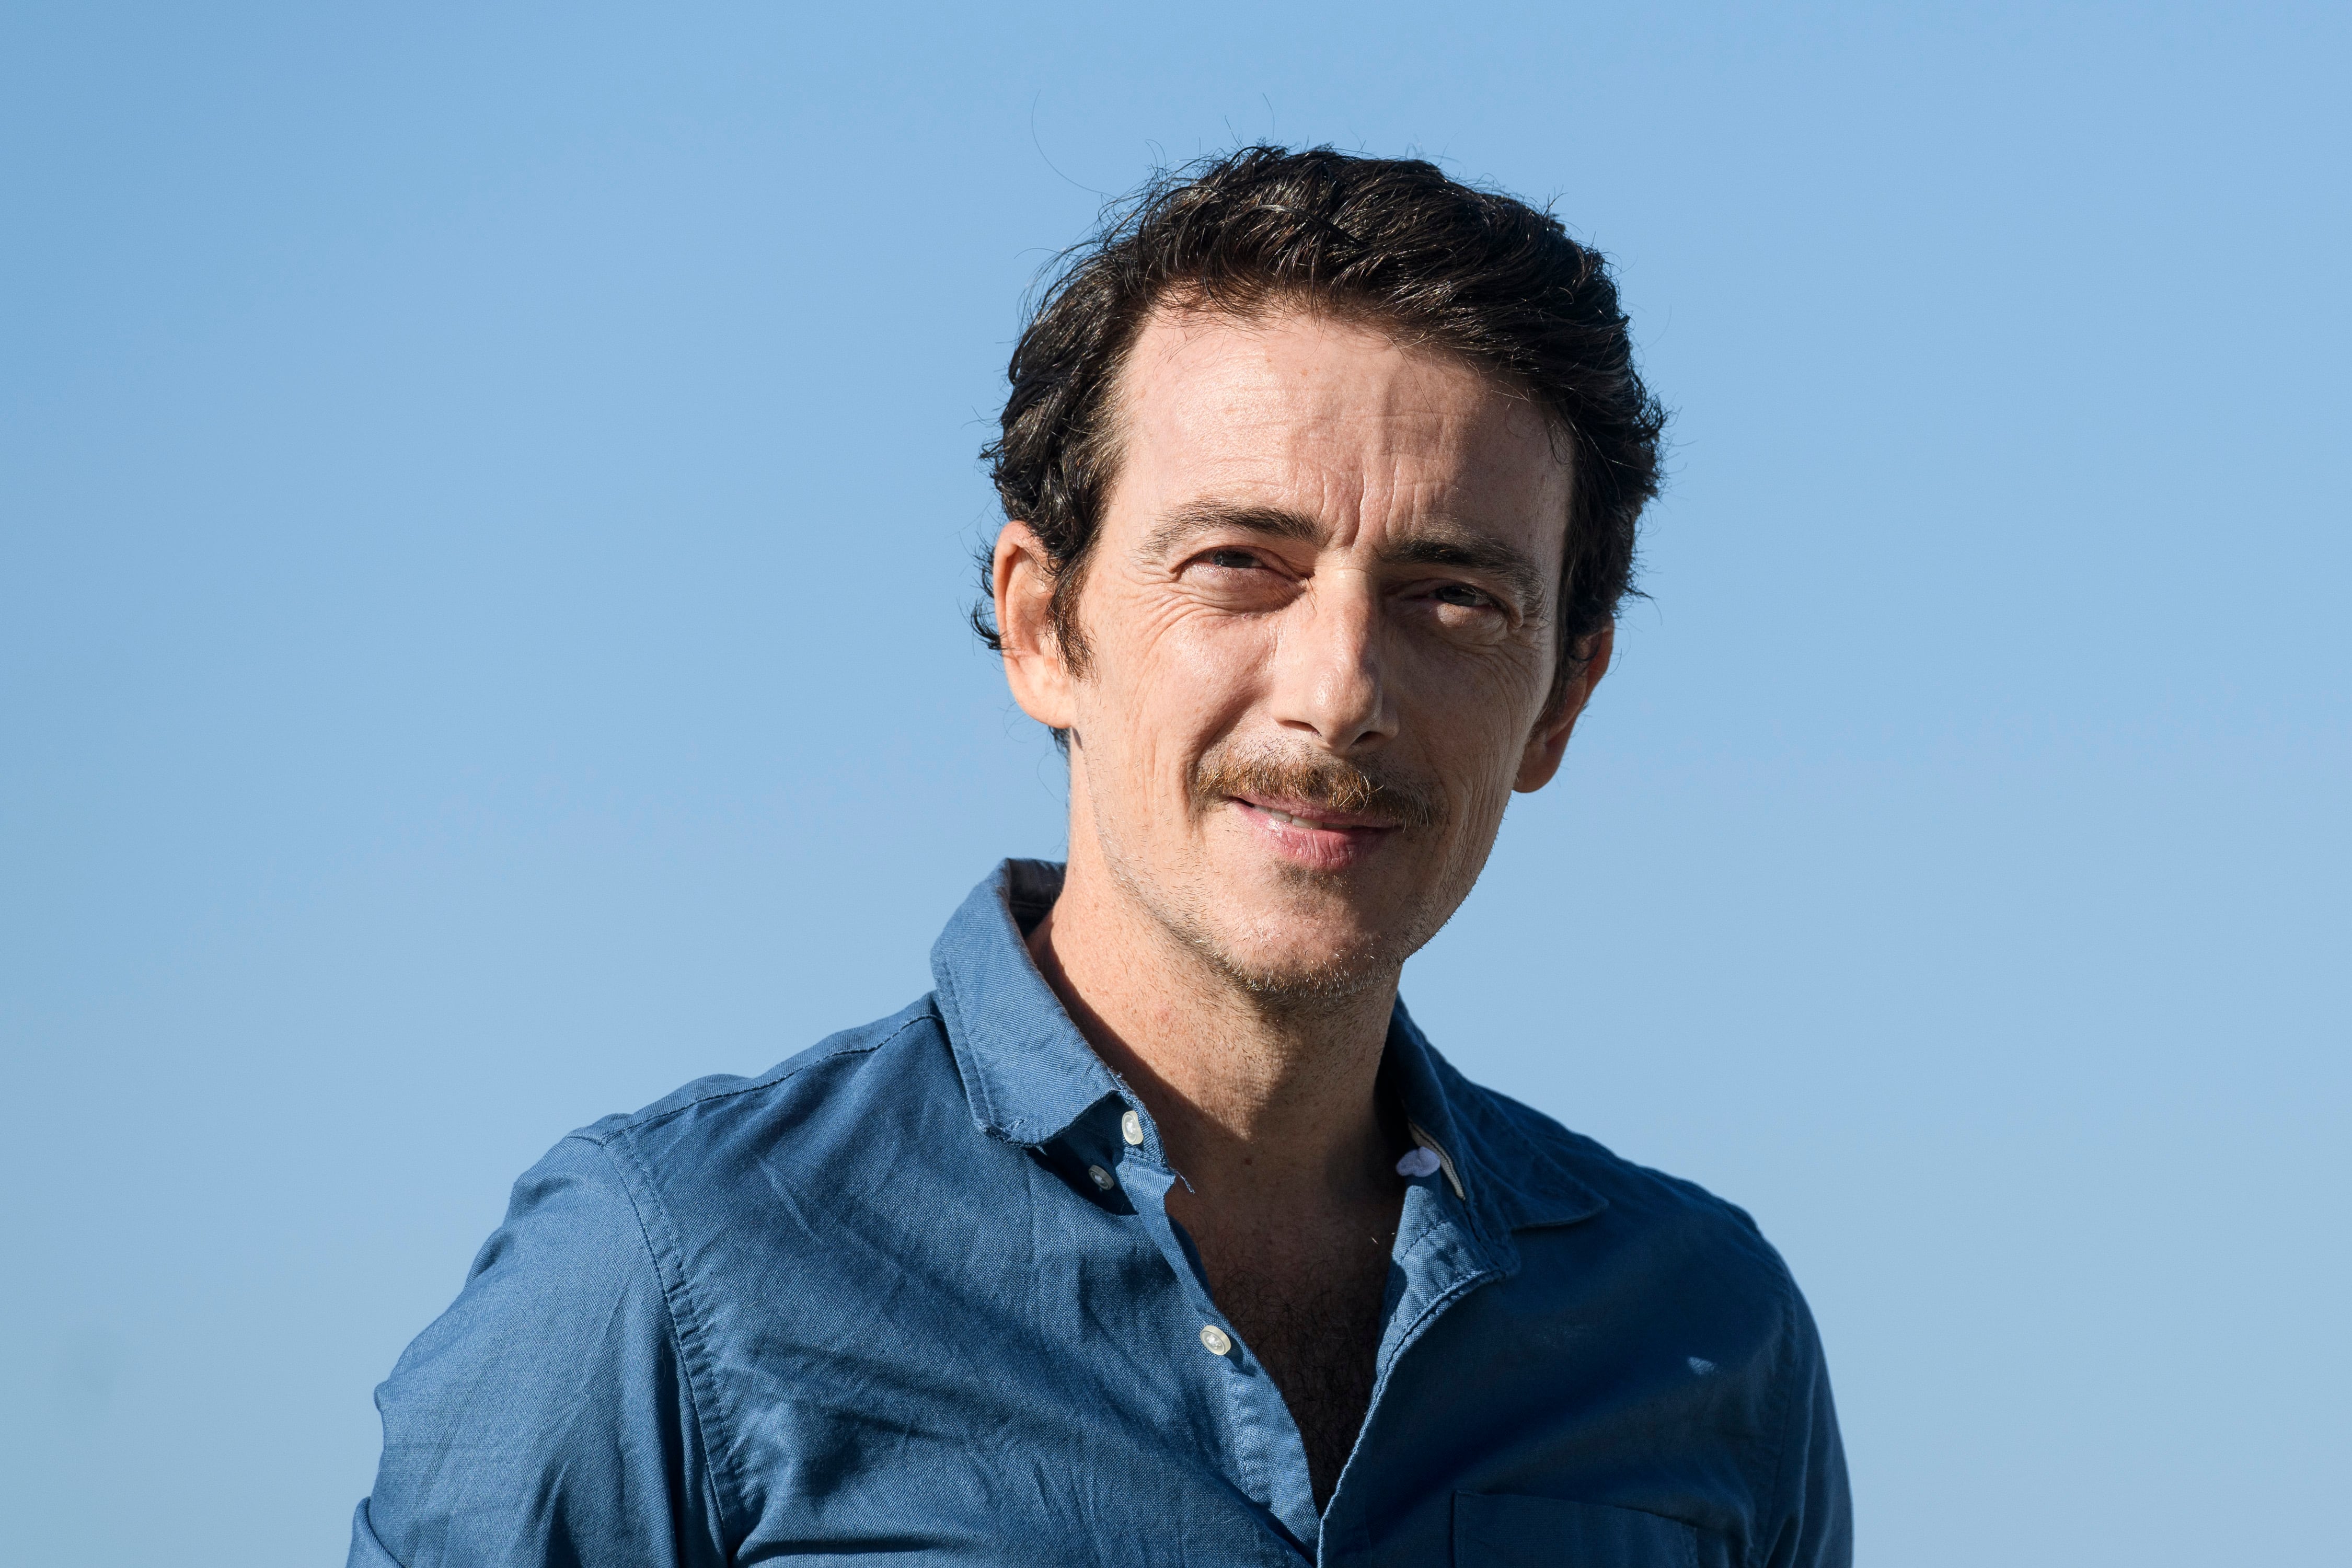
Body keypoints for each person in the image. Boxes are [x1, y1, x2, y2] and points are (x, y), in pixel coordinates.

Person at [349, 145, 1850, 1567]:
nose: (1338, 691)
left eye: (1451, 595)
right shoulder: (661, 1277)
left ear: (1559, 701)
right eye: (1237, 567)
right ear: (1040, 626)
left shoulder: (1703, 1337)